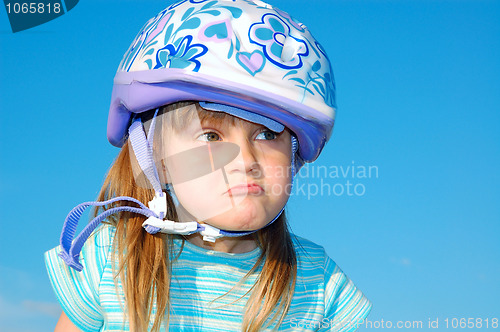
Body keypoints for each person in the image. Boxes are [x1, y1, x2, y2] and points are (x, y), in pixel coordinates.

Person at [45, 0, 372, 331]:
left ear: (294, 155)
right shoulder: (108, 259)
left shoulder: (320, 285)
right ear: (156, 158)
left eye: (267, 133)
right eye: (212, 136)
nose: (245, 160)